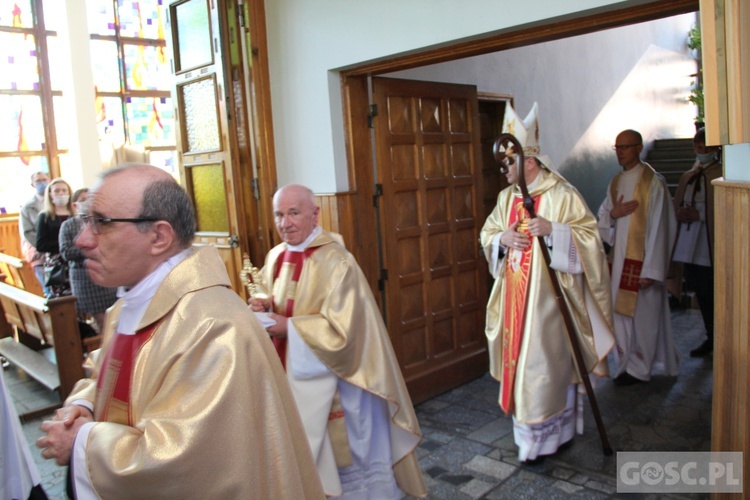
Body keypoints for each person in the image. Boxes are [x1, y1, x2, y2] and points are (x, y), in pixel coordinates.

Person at [36, 165, 324, 499]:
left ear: (159, 237)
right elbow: (111, 375)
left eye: (101, 223)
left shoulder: (215, 328)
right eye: (86, 220)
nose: (82, 240)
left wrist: (82, 442)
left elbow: (185, 465)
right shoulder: (132, 303)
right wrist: (84, 406)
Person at [249, 184, 427, 499]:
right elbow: (271, 292)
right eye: (279, 214)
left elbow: (348, 331)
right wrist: (263, 302)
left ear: (315, 214)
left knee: (350, 459)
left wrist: (291, 328)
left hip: (340, 381)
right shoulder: (276, 255)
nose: (285, 223)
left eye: (294, 213)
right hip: (294, 375)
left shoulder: (337, 261)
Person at [480, 102, 614, 463]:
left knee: (545, 365)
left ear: (529, 162)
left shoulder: (562, 194)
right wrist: (501, 240)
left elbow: (591, 239)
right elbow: (488, 232)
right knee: (523, 362)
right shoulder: (506, 198)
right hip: (514, 300)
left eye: (508, 163)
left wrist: (554, 231)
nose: (504, 170)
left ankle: (550, 436)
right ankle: (532, 440)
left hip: (549, 304)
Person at [598, 129, 679, 385]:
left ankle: (641, 368)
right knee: (620, 315)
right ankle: (626, 364)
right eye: (617, 147)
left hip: (641, 265)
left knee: (644, 318)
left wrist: (651, 270)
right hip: (619, 262)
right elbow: (602, 218)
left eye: (625, 147)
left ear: (639, 148)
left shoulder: (653, 182)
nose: (620, 152)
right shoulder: (615, 182)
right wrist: (614, 214)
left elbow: (662, 227)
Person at [672, 128, 721, 357]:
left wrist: (699, 215)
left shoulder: (720, 173)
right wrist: (680, 213)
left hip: (708, 242)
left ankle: (720, 337)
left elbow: (720, 208)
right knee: (700, 291)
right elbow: (680, 201)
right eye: (698, 148)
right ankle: (710, 336)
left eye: (706, 148)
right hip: (690, 242)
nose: (701, 152)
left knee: (713, 291)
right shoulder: (689, 175)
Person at [59, 188, 118, 332]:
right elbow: (66, 252)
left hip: (105, 274)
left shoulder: (102, 221)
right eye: (83, 200)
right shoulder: (68, 225)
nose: (87, 202)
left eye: (90, 198)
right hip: (84, 279)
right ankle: (105, 349)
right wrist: (88, 248)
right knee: (101, 320)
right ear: (74, 205)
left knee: (114, 317)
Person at [36, 178, 75, 297]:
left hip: (75, 260)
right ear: (50, 194)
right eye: (57, 191)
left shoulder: (75, 215)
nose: (61, 193)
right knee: (62, 298)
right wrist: (64, 245)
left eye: (64, 190)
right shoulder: (45, 216)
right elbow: (41, 244)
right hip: (57, 264)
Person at [19, 171, 50, 292]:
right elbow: (27, 233)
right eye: (38, 181)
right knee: (48, 289)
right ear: (33, 184)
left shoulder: (55, 202)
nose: (42, 183)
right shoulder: (28, 207)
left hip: (59, 253)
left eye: (44, 179)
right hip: (39, 254)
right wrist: (44, 246)